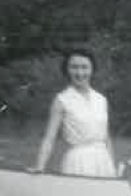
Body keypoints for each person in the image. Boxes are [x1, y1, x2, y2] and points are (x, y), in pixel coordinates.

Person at [28, 49, 116, 177]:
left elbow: (106, 138)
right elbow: (49, 137)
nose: (80, 73)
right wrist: (40, 166)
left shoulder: (101, 99)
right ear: (67, 70)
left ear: (92, 69)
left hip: (103, 161)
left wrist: (112, 167)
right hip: (77, 162)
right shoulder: (62, 100)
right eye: (74, 67)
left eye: (84, 67)